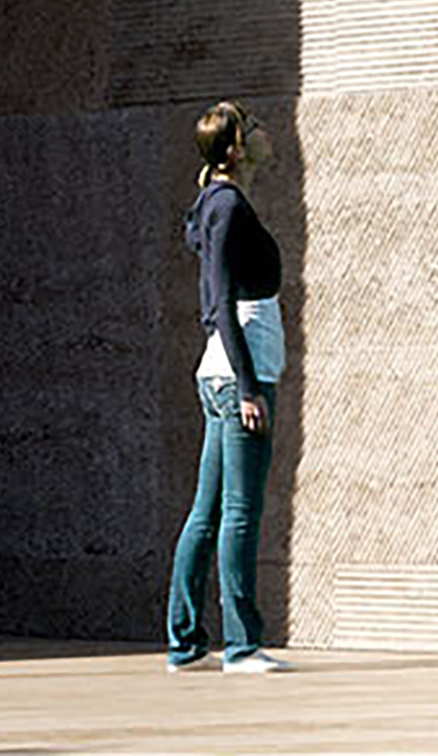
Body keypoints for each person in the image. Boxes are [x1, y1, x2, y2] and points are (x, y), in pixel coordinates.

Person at [165, 98, 289, 674]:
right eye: (255, 127)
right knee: (239, 512)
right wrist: (247, 386)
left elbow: (209, 276)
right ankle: (240, 646)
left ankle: (185, 642)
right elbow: (216, 302)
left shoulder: (219, 203)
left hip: (227, 369)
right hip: (239, 370)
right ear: (237, 149)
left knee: (208, 512)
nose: (267, 132)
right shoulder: (228, 207)